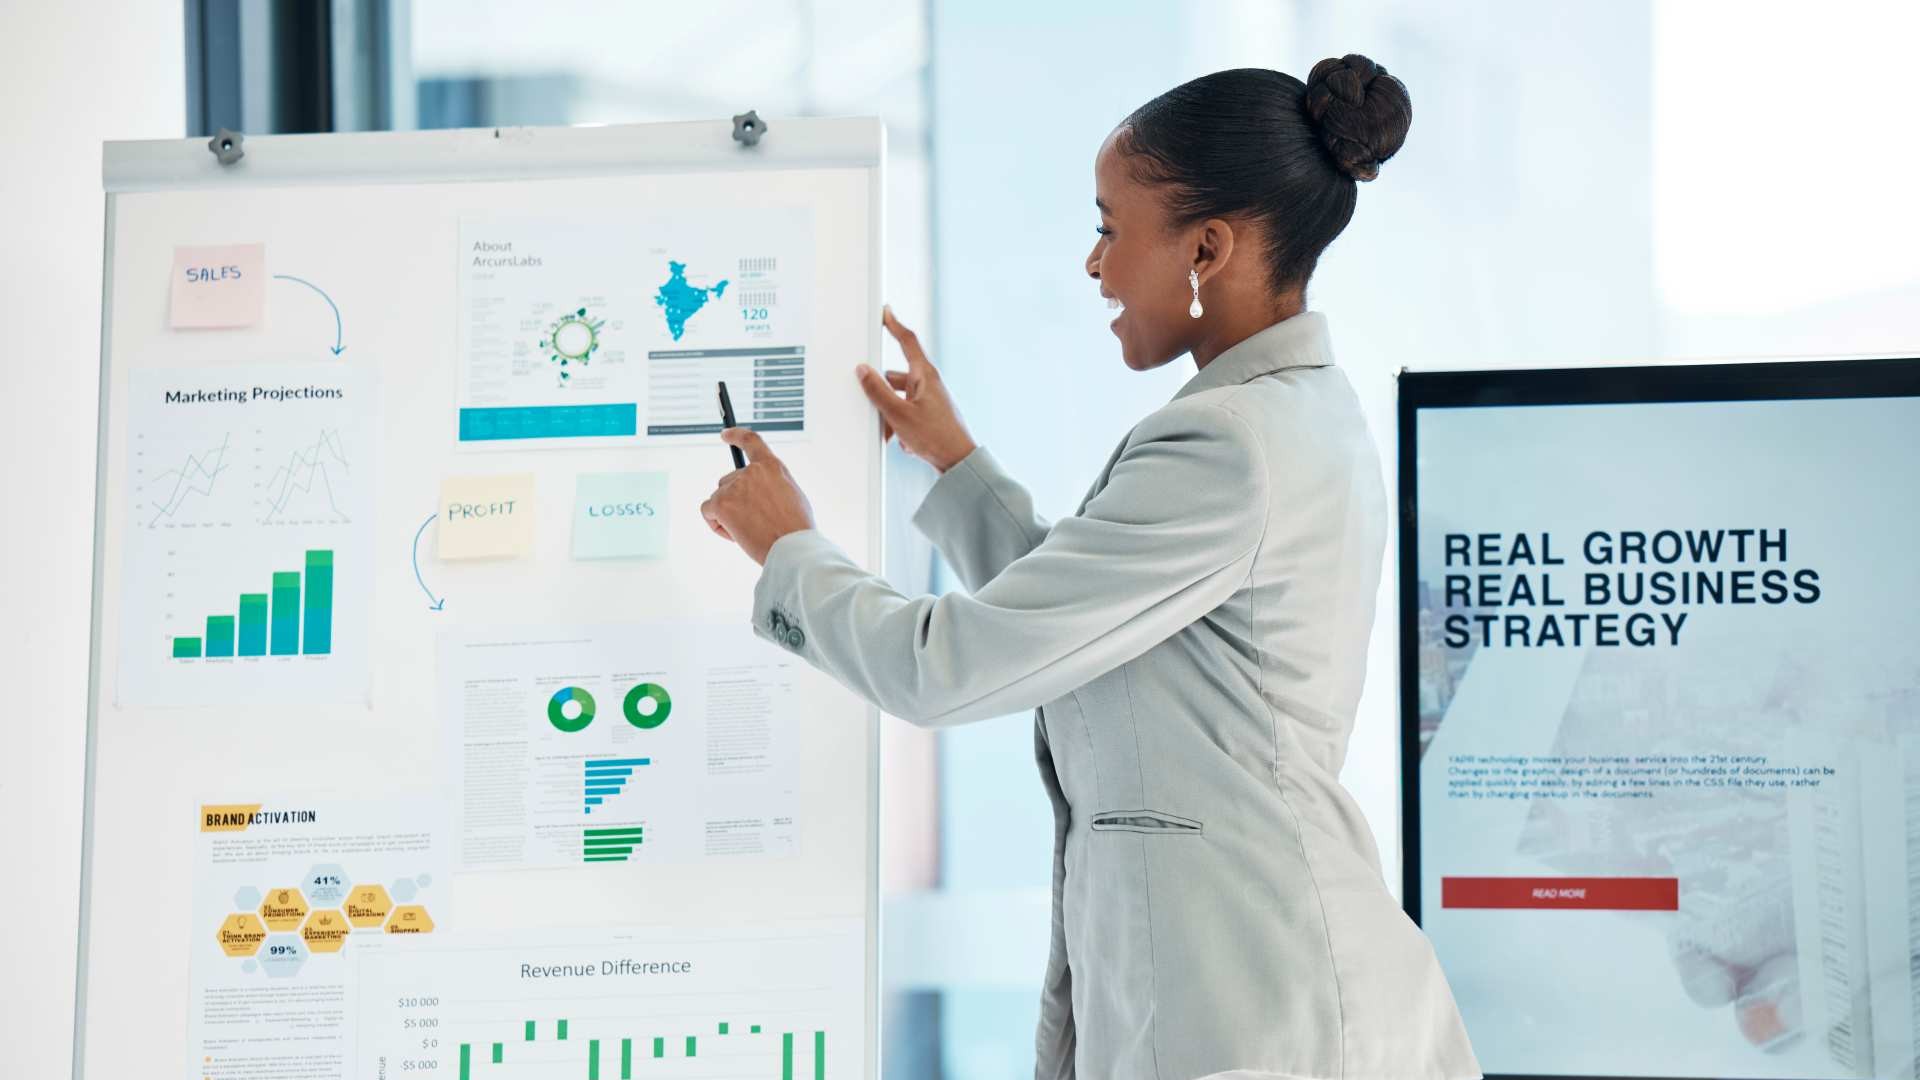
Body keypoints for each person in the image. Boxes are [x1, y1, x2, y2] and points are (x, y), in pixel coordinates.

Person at [701, 55, 1480, 1080]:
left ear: (1208, 247)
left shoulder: (1230, 444)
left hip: (1266, 1012)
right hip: (1258, 995)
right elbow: (1096, 631)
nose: (1095, 267)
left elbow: (950, 668)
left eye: (1112, 229)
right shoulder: (1277, 419)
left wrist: (790, 549)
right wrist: (957, 464)